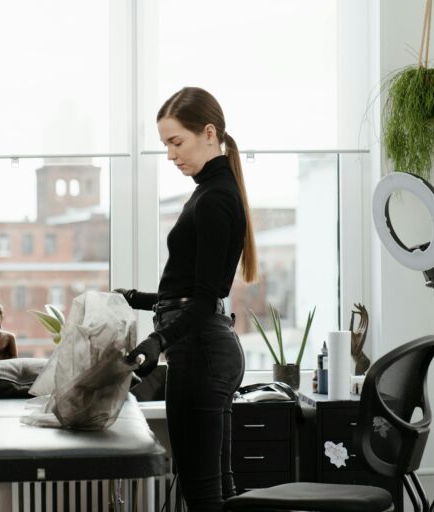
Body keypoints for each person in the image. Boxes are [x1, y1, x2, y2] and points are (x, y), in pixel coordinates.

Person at [119, 86, 258, 511]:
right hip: (206, 349)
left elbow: (201, 301)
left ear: (209, 133)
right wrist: (132, 299)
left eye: (176, 142)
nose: (171, 155)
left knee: (202, 494)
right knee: (217, 491)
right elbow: (187, 293)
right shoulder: (211, 191)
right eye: (165, 145)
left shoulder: (215, 197)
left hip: (202, 352)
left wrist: (158, 340)